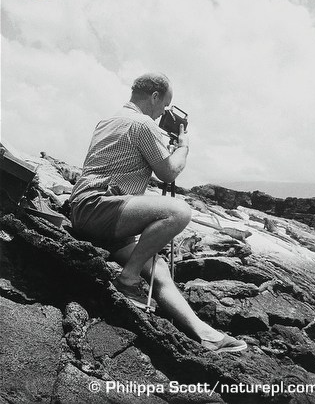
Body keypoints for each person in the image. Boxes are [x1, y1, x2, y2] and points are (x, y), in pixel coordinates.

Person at [70, 73, 247, 353]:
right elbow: (168, 172)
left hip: (89, 211)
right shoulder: (142, 124)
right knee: (178, 212)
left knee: (158, 269)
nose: (164, 112)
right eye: (165, 105)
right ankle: (126, 280)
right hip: (99, 207)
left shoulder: (109, 120)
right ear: (154, 96)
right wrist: (183, 147)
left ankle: (207, 335)